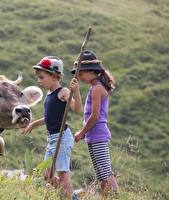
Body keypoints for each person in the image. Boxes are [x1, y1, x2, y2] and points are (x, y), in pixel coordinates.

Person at [23, 56, 82, 199]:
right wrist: (34, 124)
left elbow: (77, 109)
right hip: (52, 139)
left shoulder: (63, 92)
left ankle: (69, 196)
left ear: (54, 76)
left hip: (62, 138)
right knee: (47, 174)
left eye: (42, 77)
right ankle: (70, 195)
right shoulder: (49, 95)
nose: (39, 81)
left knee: (62, 173)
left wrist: (76, 92)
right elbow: (49, 118)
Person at [73, 50, 118, 196]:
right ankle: (107, 196)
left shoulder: (97, 88)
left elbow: (95, 116)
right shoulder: (95, 88)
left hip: (98, 134)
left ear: (92, 71)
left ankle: (116, 196)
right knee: (100, 173)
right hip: (93, 136)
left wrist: (81, 133)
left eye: (81, 74)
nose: (79, 77)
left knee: (106, 171)